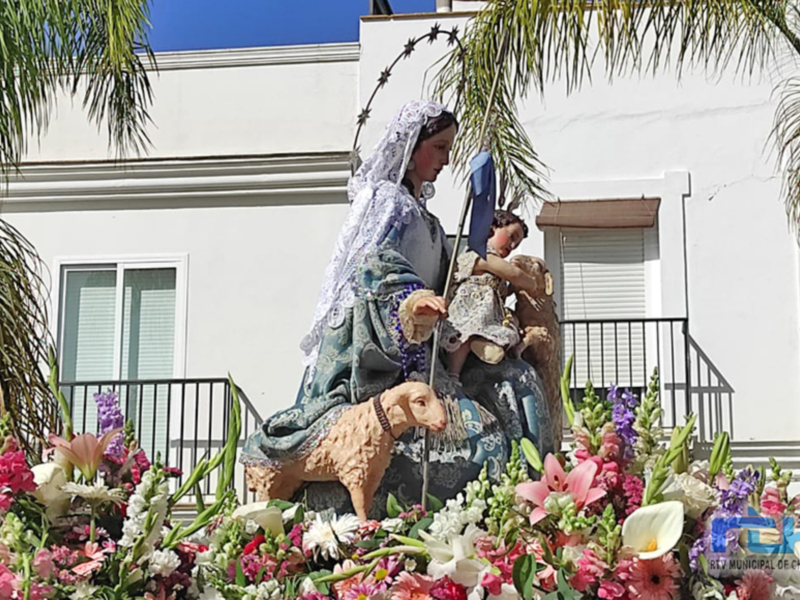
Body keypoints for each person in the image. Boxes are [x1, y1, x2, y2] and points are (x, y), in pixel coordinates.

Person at [241, 100, 554, 516]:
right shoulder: (386, 203)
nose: (445, 160)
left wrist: (509, 271)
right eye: (439, 148)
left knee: (517, 381)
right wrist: (411, 301)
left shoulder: (425, 218)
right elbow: (372, 267)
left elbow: (455, 260)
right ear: (412, 146)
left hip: (428, 350)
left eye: (449, 150)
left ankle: (542, 494)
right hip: (379, 352)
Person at [443, 210, 545, 377]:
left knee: (512, 323)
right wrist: (531, 283)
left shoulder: (496, 270)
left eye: (516, 244)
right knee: (465, 334)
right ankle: (453, 373)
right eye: (512, 237)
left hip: (491, 315)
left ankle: (487, 344)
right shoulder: (481, 255)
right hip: (469, 310)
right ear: (492, 228)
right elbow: (514, 274)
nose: (512, 246)